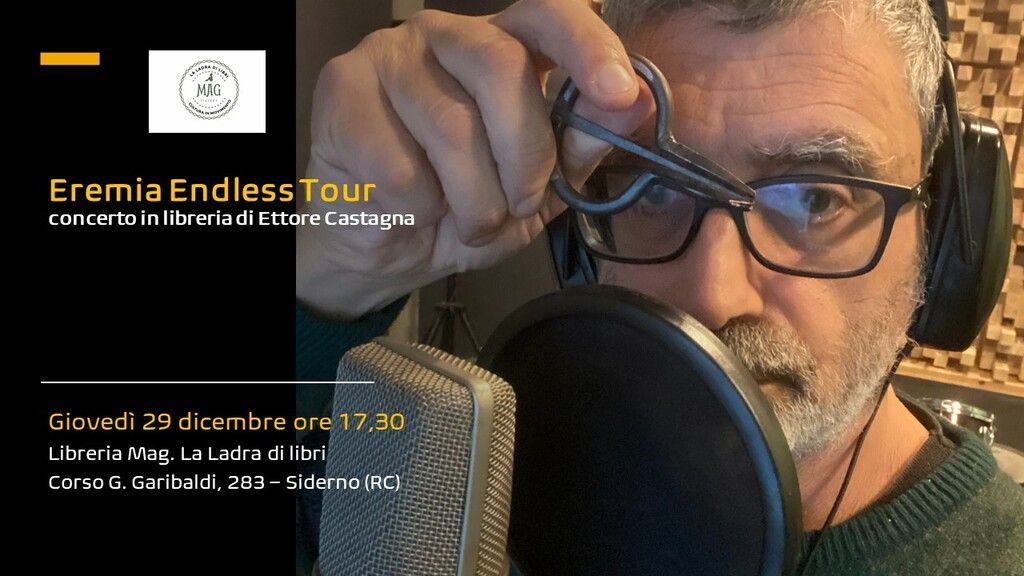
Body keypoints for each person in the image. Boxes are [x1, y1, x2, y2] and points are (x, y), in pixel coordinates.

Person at [295, 0, 1024, 573]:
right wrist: (329, 277)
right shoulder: (455, 484)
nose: (711, 297)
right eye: (650, 187)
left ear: (940, 238)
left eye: (816, 199)